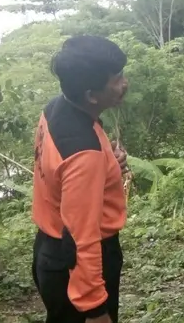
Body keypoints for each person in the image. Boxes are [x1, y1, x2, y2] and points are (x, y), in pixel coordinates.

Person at [31, 35, 130, 323]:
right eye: (117, 79)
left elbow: (57, 169)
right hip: (73, 265)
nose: (125, 83)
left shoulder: (56, 109)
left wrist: (106, 163)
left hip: (48, 250)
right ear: (91, 95)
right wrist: (95, 310)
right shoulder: (84, 154)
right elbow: (82, 239)